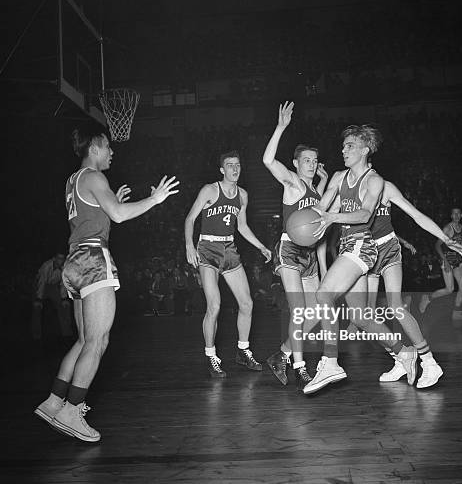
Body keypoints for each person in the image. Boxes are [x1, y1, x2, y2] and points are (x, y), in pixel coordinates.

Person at [34, 124, 179, 442]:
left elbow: (98, 213)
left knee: (84, 340)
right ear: (94, 149)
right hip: (92, 259)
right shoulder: (95, 176)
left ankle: (54, 400)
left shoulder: (74, 180)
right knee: (98, 342)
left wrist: (113, 200)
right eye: (108, 147)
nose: (113, 151)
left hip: (74, 261)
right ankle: (74, 411)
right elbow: (118, 216)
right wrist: (153, 200)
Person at [309, 124, 418, 395]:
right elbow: (320, 209)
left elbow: (365, 214)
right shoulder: (336, 177)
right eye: (343, 145)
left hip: (363, 246)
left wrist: (332, 217)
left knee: (324, 295)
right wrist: (301, 221)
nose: (343, 150)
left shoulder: (373, 180)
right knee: (359, 318)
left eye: (350, 146)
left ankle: (330, 362)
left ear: (365, 150)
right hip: (347, 245)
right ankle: (404, 353)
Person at [366, 180, 462, 388]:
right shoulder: (346, 185)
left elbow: (413, 216)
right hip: (365, 253)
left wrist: (448, 242)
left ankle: (429, 361)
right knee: (364, 317)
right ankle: (401, 357)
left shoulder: (382, 187)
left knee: (397, 306)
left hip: (387, 252)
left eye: (350, 145)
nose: (345, 151)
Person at [184, 150, 272, 378]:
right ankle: (211, 355)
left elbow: (241, 226)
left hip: (230, 249)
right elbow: (190, 218)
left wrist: (261, 246)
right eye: (230, 165)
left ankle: (243, 351)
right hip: (208, 249)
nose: (235, 169)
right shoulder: (210, 190)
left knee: (247, 303)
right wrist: (189, 246)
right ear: (222, 170)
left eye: (238, 165)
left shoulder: (242, 195)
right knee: (214, 305)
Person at [262, 102, 330, 391]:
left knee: (317, 311)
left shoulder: (316, 192)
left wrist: (325, 268)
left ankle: (283, 354)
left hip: (311, 255)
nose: (311, 164)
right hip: (289, 251)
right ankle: (300, 366)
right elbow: (267, 161)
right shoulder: (293, 184)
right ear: (296, 164)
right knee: (300, 312)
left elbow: (321, 230)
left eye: (315, 160)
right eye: (306, 160)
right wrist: (280, 128)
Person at [420, 208, 462, 317]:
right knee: (450, 289)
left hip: (458, 260)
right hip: (447, 260)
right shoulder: (448, 228)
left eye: (458, 213)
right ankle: (428, 298)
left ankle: (456, 313)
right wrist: (446, 262)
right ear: (451, 216)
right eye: (454, 213)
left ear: (461, 215)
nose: (456, 215)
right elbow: (437, 245)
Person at [30, 253, 73, 341]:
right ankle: (36, 335)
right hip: (40, 285)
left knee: (64, 306)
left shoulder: (64, 268)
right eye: (58, 258)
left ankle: (67, 334)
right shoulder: (46, 266)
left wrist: (64, 299)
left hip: (53, 286)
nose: (60, 261)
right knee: (37, 307)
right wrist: (38, 299)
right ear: (54, 258)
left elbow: (63, 284)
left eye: (62, 259)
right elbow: (41, 282)